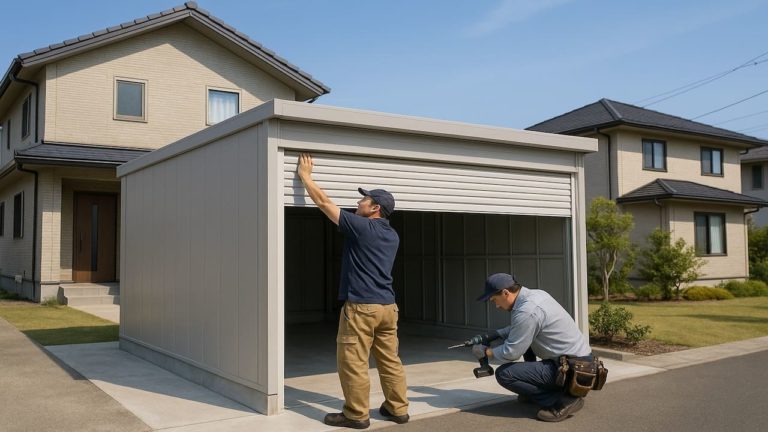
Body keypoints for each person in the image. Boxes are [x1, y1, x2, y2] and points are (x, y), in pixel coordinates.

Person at [297, 153, 409, 429]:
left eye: (364, 199)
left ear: (375, 209)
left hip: (362, 308)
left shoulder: (363, 227)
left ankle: (356, 415)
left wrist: (305, 177)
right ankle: (397, 409)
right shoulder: (392, 235)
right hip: (387, 307)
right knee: (390, 360)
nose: (358, 202)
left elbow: (324, 203)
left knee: (354, 361)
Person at [473, 273, 593, 422]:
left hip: (572, 369)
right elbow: (522, 327)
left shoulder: (526, 311)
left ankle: (562, 401)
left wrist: (486, 352)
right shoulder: (537, 295)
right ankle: (547, 390)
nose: (497, 306)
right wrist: (495, 334)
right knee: (526, 341)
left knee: (504, 374)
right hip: (582, 363)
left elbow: (511, 352)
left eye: (495, 300)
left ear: (505, 292)